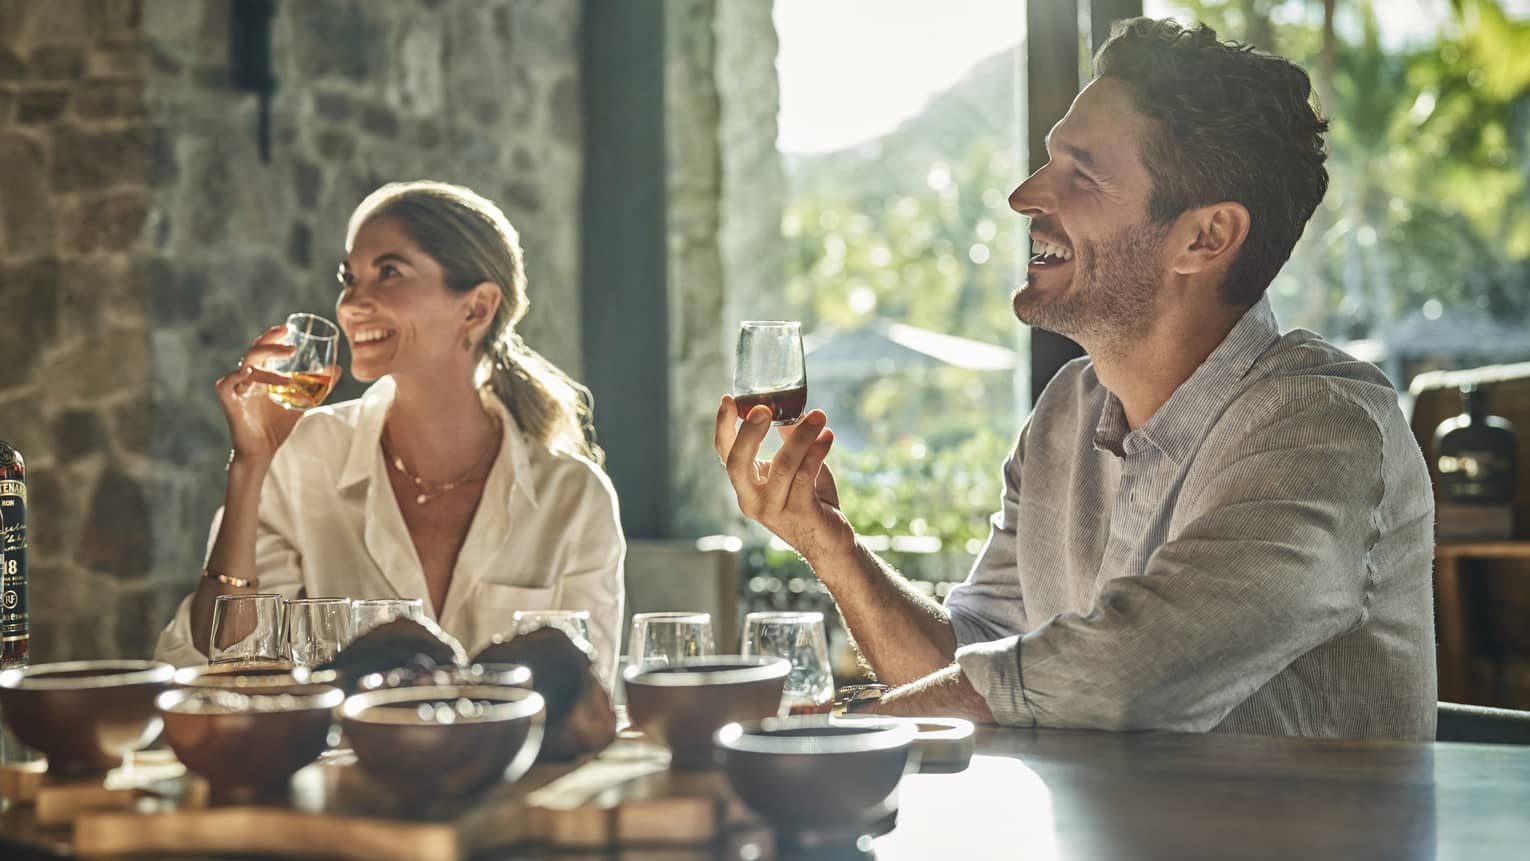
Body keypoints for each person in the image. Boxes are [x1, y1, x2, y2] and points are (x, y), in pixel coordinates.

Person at [715, 18, 1436, 740]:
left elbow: (1125, 675)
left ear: (1205, 237)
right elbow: (972, 661)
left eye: (1079, 175)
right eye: (1046, 162)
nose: (1025, 195)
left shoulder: (1322, 428)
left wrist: (833, 733)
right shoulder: (1068, 410)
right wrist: (829, 544)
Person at [157, 181, 625, 682]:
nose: (351, 304)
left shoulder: (574, 498)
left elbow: (586, 700)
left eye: (389, 273)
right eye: (349, 278)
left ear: (476, 308)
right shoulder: (305, 455)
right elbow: (218, 659)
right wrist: (250, 466)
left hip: (515, 761)